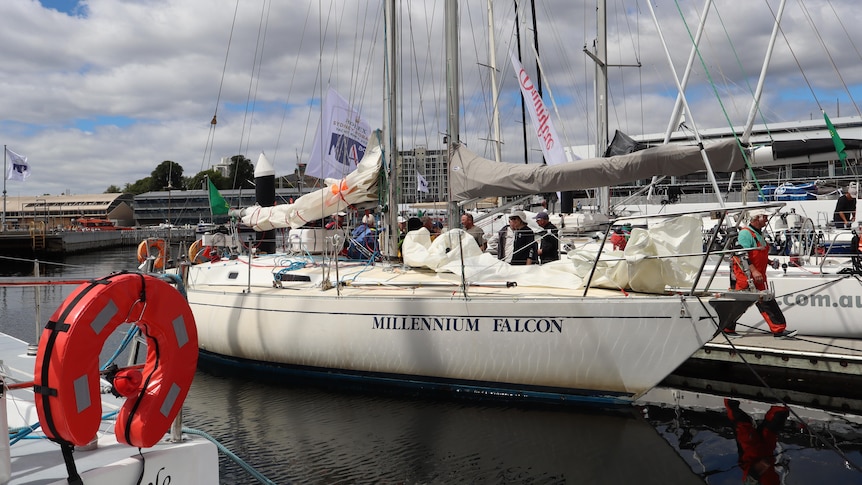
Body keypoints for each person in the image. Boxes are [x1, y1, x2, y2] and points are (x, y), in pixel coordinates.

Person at [728, 209, 797, 339]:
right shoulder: (745, 234)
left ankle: (779, 330)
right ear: (756, 218)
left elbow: (758, 255)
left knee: (767, 301)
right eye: (764, 217)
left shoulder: (758, 234)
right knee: (739, 304)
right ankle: (727, 328)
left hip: (758, 275)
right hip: (745, 277)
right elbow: (742, 256)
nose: (766, 219)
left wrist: (770, 262)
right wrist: (753, 271)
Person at [725, 399, 789, 485]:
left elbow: (750, 478)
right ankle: (781, 402)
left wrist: (761, 466)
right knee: (775, 422)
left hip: (751, 452)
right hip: (766, 451)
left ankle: (730, 398)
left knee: (742, 423)